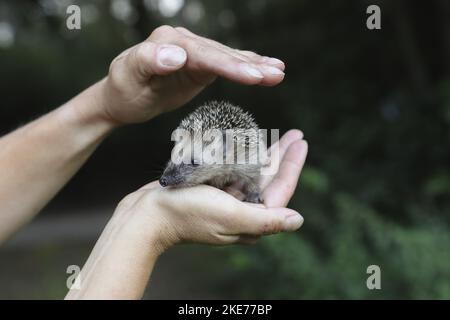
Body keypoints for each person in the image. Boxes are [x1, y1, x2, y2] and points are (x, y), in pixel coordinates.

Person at [0, 26, 308, 299]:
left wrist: (106, 106)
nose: (169, 176)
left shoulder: (242, 158)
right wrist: (150, 223)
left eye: (190, 164)